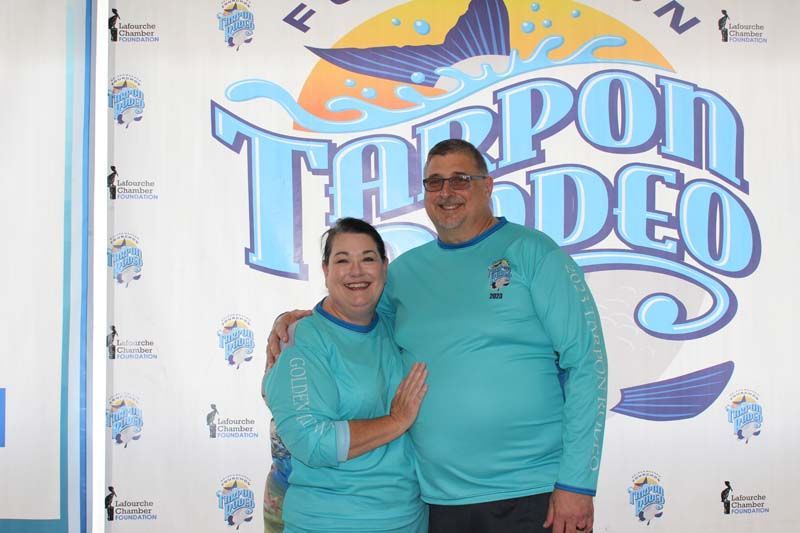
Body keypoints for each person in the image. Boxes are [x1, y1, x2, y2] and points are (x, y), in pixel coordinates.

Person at [269, 139, 608, 533]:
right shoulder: (404, 275)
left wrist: (576, 483)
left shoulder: (533, 253)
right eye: (434, 183)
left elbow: (585, 363)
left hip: (533, 492)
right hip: (438, 502)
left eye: (460, 179)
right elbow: (351, 315)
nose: (446, 192)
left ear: (488, 186)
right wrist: (295, 321)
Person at [263, 217, 429, 532]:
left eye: (368, 259)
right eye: (343, 260)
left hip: (408, 518)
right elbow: (311, 442)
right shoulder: (300, 340)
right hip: (331, 521)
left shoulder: (393, 326)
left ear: (384, 267)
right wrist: (396, 421)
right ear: (326, 270)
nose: (356, 271)